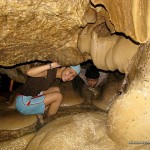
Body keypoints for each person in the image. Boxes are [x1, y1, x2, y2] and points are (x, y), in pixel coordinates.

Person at [15, 62, 81, 118]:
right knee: (58, 96)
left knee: (56, 89)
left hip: (31, 97)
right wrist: (51, 65)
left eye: (73, 76)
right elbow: (29, 72)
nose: (70, 77)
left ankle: (42, 112)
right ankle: (49, 120)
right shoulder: (50, 71)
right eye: (70, 72)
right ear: (64, 67)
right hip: (24, 103)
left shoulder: (54, 75)